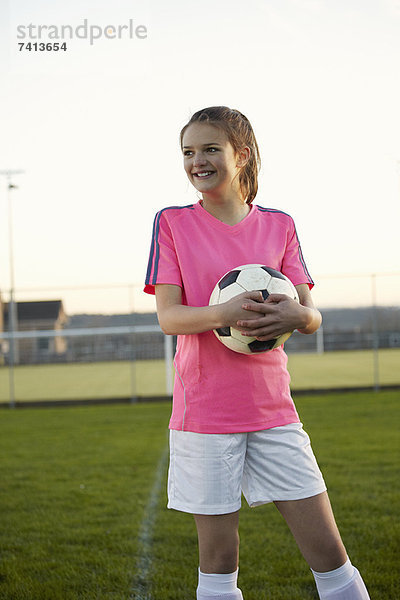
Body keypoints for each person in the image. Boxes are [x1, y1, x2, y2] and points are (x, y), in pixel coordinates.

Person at [144, 106, 370, 600]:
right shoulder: (173, 223)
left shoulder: (280, 225)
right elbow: (169, 317)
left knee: (330, 556)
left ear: (241, 155)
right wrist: (223, 313)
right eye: (188, 152)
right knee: (220, 563)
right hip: (204, 414)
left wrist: (298, 317)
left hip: (273, 412)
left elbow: (311, 315)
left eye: (209, 149)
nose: (196, 161)